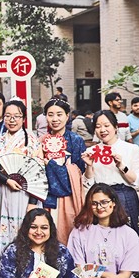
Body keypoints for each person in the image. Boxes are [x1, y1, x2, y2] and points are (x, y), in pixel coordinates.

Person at [82, 110, 139, 278]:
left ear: (115, 127)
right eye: (98, 126)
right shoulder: (92, 151)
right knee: (102, 243)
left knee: (127, 241)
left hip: (124, 198)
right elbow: (88, 183)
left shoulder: (130, 149)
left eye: (106, 125)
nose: (102, 130)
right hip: (100, 199)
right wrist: (89, 165)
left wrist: (121, 165)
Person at [0, 99, 41, 278]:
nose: (12, 120)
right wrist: (6, 180)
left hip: (24, 195)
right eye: (8, 116)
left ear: (23, 118)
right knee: (1, 239)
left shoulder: (32, 141)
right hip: (1, 193)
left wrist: (33, 202)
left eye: (16, 116)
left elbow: (38, 175)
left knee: (24, 238)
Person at [39, 99, 85, 245]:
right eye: (50, 114)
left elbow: (80, 172)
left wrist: (52, 165)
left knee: (68, 237)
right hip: (45, 197)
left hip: (70, 197)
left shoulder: (76, 140)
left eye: (59, 114)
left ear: (67, 116)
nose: (55, 119)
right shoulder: (40, 141)